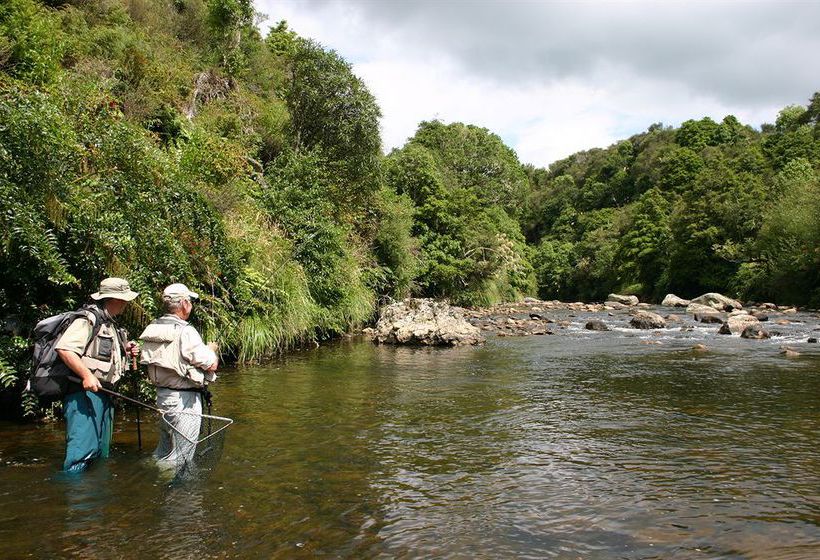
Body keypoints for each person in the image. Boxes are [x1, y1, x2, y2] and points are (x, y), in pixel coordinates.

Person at [55, 277, 140, 472]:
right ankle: (75, 495)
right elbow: (65, 349)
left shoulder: (110, 323)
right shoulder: (88, 319)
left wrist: (125, 348)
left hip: (105, 395)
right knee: (81, 454)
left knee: (100, 453)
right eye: (125, 299)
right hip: (84, 395)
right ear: (115, 299)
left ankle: (95, 498)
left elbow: (99, 351)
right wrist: (86, 375)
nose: (127, 303)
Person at [139, 283, 218, 467]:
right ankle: (179, 493)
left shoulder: (154, 327)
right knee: (182, 457)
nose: (190, 304)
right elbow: (211, 364)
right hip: (184, 401)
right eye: (189, 301)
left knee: (164, 452)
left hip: (163, 398)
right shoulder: (186, 331)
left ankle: (157, 484)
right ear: (183, 303)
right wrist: (212, 350)